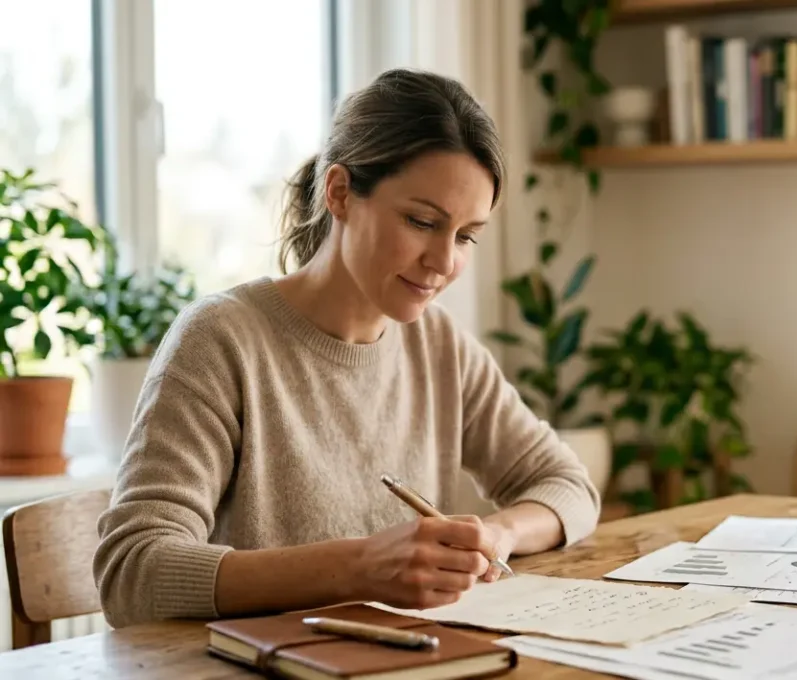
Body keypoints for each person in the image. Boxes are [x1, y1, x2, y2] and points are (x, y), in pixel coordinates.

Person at [92, 68, 601, 629]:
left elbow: (569, 487)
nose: (444, 261)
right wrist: (361, 567)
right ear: (339, 192)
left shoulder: (439, 346)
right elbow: (132, 573)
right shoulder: (221, 339)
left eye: (465, 236)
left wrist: (496, 535)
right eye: (422, 221)